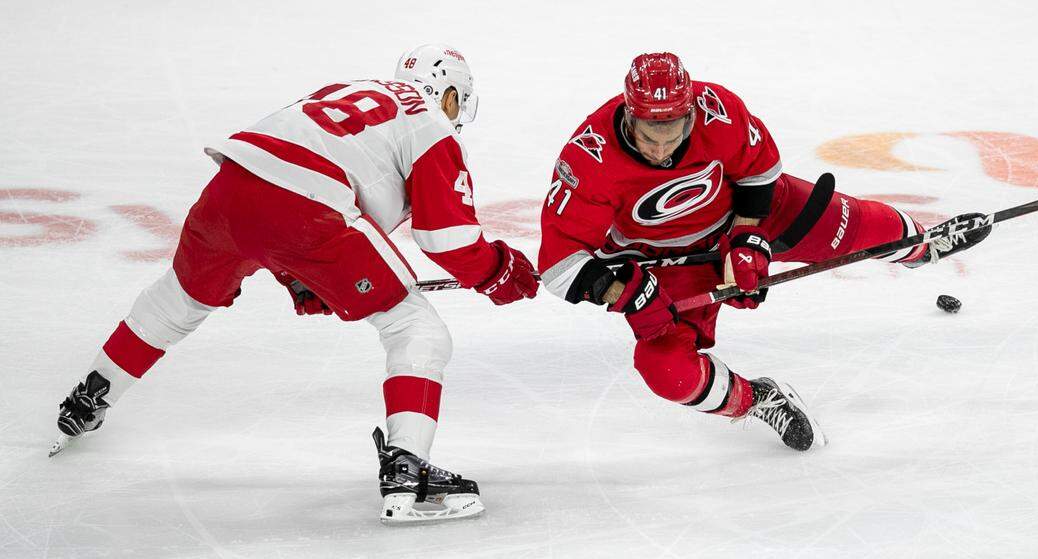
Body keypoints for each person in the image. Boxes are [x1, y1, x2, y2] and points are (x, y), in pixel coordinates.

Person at [53, 44, 538, 523]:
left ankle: (89, 398)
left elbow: (290, 170)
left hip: (232, 185)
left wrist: (300, 273)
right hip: (310, 203)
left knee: (172, 304)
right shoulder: (429, 123)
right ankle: (407, 471)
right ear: (450, 94)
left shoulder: (352, 88)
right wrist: (498, 271)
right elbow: (446, 238)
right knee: (417, 331)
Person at [538, 52, 990, 451]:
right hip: (665, 264)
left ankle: (922, 246)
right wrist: (627, 295)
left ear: (691, 114)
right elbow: (559, 266)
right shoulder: (587, 159)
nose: (659, 149)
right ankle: (760, 400)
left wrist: (746, 240)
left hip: (741, 214)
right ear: (629, 114)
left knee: (859, 226)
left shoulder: (720, 111)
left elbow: (758, 174)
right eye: (647, 135)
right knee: (667, 371)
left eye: (670, 133)